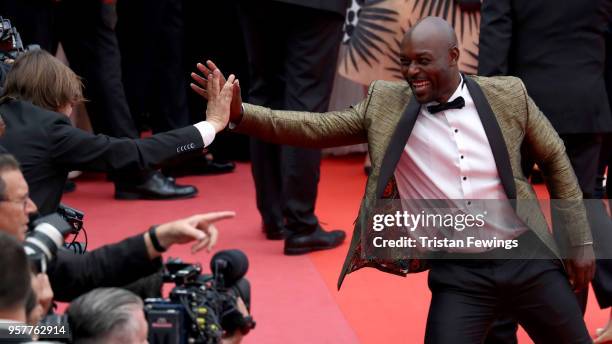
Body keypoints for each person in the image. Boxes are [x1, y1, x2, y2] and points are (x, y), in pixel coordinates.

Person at [197, 17, 595, 343]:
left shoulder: (508, 94)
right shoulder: (385, 104)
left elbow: (555, 156)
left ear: (454, 56)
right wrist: (240, 114)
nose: (411, 72)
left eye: (422, 61)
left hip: (525, 257)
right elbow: (313, 127)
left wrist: (579, 239)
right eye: (405, 62)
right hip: (459, 273)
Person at [478, 1, 612, 342]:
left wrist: (487, 118)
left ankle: (502, 332)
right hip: (584, 105)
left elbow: (495, 45)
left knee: (505, 222)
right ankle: (564, 332)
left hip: (521, 111)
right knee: (575, 227)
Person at [0, 49, 232, 215]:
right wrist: (210, 125)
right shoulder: (51, 131)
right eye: (71, 103)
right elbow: (134, 153)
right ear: (56, 98)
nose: (70, 112)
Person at [0, 152, 237, 301]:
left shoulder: (25, 248)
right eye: (21, 200)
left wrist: (162, 235)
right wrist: (48, 324)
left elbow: (82, 271)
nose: (32, 208)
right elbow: (12, 334)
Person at [232, 0, 348, 253]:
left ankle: (273, 215)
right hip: (318, 6)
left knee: (264, 91)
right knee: (306, 103)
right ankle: (299, 224)